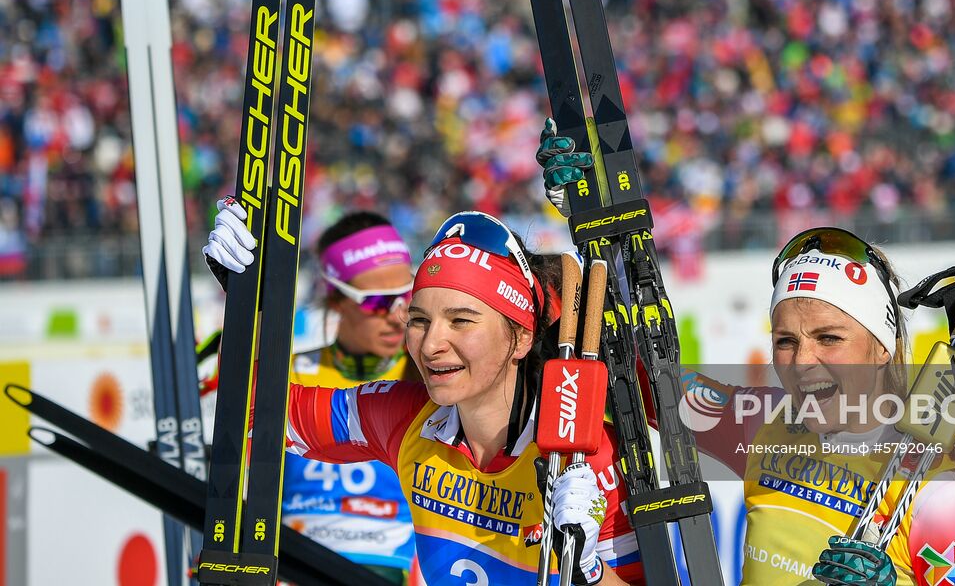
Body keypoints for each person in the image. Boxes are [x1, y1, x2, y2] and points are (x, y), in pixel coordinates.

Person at [539, 119, 955, 586]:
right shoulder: (761, 420)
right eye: (786, 341)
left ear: (881, 348)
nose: (803, 362)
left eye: (829, 338)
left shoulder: (933, 484)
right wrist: (594, 226)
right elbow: (647, 383)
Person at [204, 206, 643, 586]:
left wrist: (589, 570)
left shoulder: (587, 455)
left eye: (461, 321)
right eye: (419, 319)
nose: (430, 344)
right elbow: (254, 410)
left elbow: (699, 419)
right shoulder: (405, 416)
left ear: (521, 336)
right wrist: (250, 299)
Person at [207, 202, 420, 583]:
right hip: (294, 559)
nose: (397, 314)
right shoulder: (286, 372)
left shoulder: (425, 377)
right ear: (336, 298)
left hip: (394, 564)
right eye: (376, 302)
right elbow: (238, 395)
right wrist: (245, 300)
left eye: (407, 296)